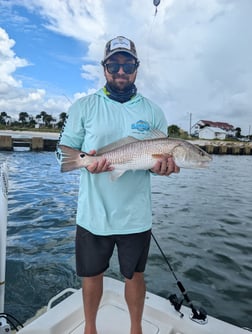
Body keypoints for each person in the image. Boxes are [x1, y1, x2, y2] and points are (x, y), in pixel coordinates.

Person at [59, 36, 180, 334]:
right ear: (104, 68)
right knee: (91, 275)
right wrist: (86, 163)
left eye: (128, 64)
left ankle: (135, 329)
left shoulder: (153, 112)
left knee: (135, 275)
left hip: (135, 217)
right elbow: (64, 151)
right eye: (114, 64)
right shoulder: (83, 107)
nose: (121, 70)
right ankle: (90, 328)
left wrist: (162, 169)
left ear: (137, 68)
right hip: (92, 214)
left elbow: (152, 163)